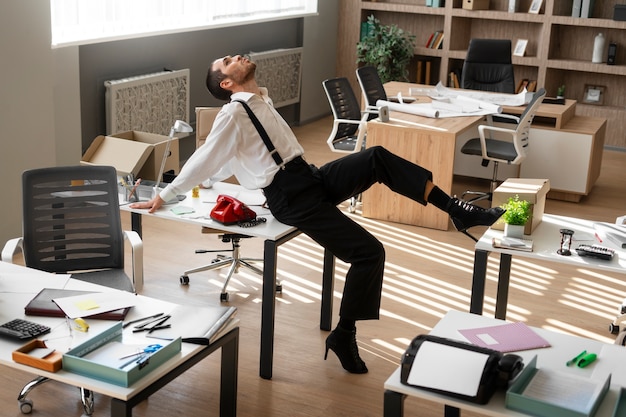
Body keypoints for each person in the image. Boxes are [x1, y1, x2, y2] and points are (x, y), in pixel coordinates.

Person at [130, 54, 505, 374]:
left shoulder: (261, 101)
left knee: (376, 157)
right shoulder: (233, 114)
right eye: (228, 61)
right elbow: (205, 158)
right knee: (369, 252)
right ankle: (345, 334)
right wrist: (165, 194)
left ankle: (456, 210)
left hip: (309, 178)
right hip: (291, 197)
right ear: (226, 82)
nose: (237, 55)